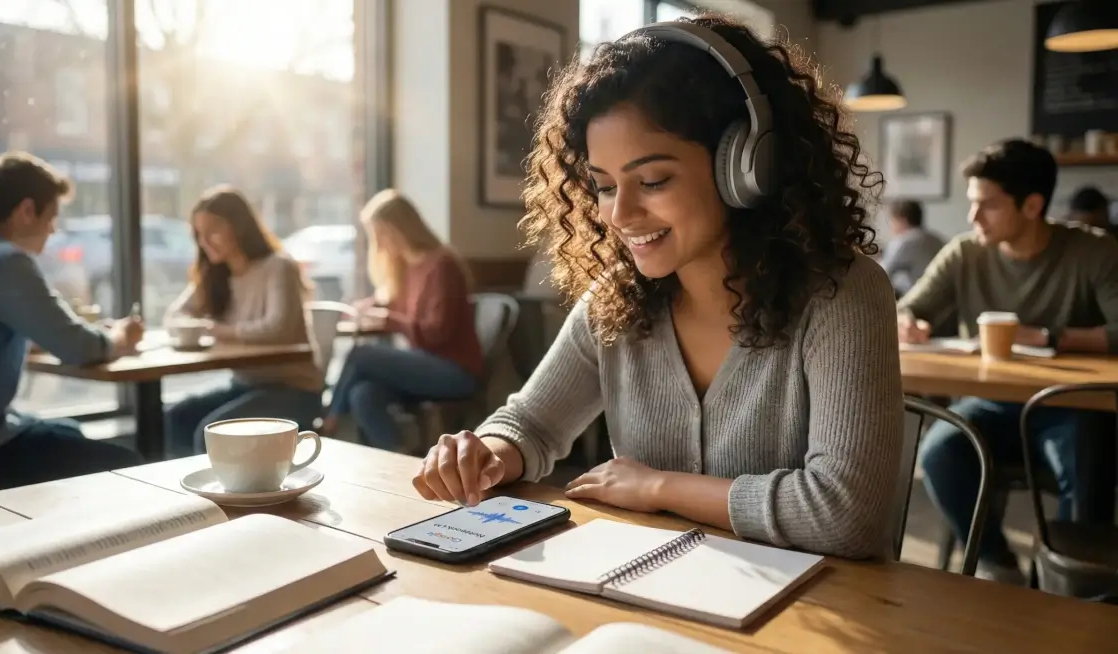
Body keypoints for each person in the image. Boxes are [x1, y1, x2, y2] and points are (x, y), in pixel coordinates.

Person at [412, 16, 903, 559]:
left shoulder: (843, 294)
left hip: (822, 602)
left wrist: (659, 488)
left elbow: (846, 514)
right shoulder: (615, 300)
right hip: (653, 586)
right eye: (604, 186)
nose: (620, 214)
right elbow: (531, 422)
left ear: (746, 167)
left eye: (652, 181)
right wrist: (488, 452)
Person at [898, 139, 1118, 583]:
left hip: (1071, 406)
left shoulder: (1094, 250)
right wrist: (909, 322)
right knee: (939, 452)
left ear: (1032, 205)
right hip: (990, 404)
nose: (972, 217)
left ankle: (1070, 583)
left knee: (1087, 463)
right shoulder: (964, 252)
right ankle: (998, 564)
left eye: (988, 205)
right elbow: (907, 308)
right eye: (972, 203)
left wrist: (1051, 336)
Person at [0, 152, 144, 493]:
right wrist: (122, 337)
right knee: (131, 468)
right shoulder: (2, 261)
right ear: (26, 210)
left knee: (67, 432)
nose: (52, 230)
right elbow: (79, 348)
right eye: (51, 217)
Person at [163, 186, 324, 456]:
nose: (205, 241)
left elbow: (277, 329)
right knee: (176, 417)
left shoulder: (277, 266)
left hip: (294, 390)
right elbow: (173, 316)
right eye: (199, 234)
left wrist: (217, 331)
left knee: (210, 435)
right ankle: (189, 484)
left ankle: (220, 485)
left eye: (213, 230)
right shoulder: (215, 274)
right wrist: (195, 327)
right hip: (245, 385)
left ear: (238, 227)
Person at [321, 189, 482, 453]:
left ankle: (328, 423)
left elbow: (436, 333)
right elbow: (393, 304)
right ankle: (399, 458)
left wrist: (391, 321)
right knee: (363, 393)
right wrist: (367, 308)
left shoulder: (442, 265)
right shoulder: (405, 268)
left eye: (382, 233)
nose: (380, 243)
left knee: (362, 355)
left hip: (454, 371)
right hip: (424, 365)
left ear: (401, 229)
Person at [878, 199, 944, 297]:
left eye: (892, 221)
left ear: (902, 220)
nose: (891, 226)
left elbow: (879, 273)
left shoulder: (903, 242)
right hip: (942, 298)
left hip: (916, 299)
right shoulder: (937, 239)